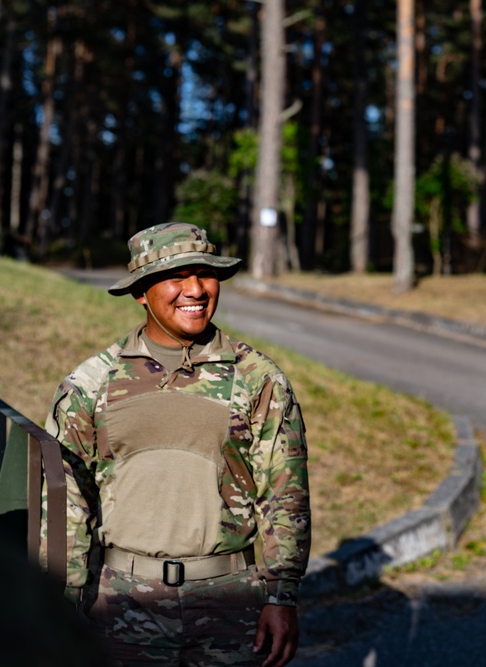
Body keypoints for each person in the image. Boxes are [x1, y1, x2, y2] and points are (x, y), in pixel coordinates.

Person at [43, 222, 311, 667]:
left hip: (231, 605)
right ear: (140, 292)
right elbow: (67, 503)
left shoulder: (257, 378)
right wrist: (60, 607)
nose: (196, 290)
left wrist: (282, 595)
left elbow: (285, 492)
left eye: (205, 274)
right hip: (119, 604)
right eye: (176, 276)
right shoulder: (93, 383)